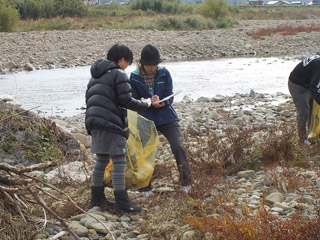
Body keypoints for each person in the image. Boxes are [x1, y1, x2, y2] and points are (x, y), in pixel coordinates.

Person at [85, 44, 151, 213]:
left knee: (101, 161)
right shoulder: (118, 74)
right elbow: (126, 100)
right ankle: (122, 203)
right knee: (119, 162)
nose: (127, 67)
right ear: (121, 59)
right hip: (111, 124)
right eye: (127, 63)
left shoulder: (95, 76)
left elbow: (90, 99)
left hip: (94, 123)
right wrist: (146, 104)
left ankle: (96, 199)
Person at [129, 44, 192, 194]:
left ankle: (187, 183)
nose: (152, 68)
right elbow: (133, 99)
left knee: (178, 146)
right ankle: (145, 187)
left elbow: (170, 93)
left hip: (166, 116)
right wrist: (149, 101)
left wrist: (165, 102)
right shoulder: (134, 77)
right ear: (141, 63)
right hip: (145, 118)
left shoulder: (164, 73)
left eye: (155, 64)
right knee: (144, 152)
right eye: (149, 65)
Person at [288, 51, 320, 145]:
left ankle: (312, 137)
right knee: (304, 112)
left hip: (308, 82)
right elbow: (314, 87)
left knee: (313, 112)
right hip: (297, 84)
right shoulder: (318, 64)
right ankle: (302, 140)